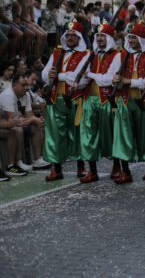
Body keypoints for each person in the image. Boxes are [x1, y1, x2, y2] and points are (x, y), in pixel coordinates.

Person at [42, 21, 90, 181]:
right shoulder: (56, 53)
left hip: (75, 100)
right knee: (55, 135)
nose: (70, 38)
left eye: (73, 35)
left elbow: (81, 80)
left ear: (79, 37)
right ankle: (57, 168)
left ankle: (80, 165)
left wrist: (59, 76)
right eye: (68, 35)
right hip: (56, 99)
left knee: (76, 133)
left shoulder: (86, 55)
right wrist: (50, 75)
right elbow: (45, 73)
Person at [111, 22, 145, 184]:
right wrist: (115, 80)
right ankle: (125, 170)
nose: (130, 40)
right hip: (124, 100)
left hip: (143, 101)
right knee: (123, 135)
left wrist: (128, 81)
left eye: (133, 37)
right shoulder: (121, 56)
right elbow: (114, 77)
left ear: (141, 40)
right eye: (129, 37)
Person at [78, 23, 122, 183]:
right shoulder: (91, 55)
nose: (99, 38)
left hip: (107, 100)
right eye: (98, 36)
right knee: (88, 135)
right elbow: (84, 81)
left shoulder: (117, 56)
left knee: (110, 134)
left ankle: (117, 164)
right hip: (90, 99)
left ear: (109, 38)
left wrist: (89, 74)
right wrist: (82, 78)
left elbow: (108, 80)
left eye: (103, 36)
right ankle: (93, 170)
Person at [0, 74, 46, 171]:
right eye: (23, 85)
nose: (27, 88)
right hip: (3, 123)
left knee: (37, 125)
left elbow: (29, 115)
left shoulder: (26, 94)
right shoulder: (8, 95)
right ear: (14, 86)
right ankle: (18, 162)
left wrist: (37, 120)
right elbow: (12, 119)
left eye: (27, 85)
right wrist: (31, 119)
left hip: (18, 120)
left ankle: (38, 159)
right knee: (17, 129)